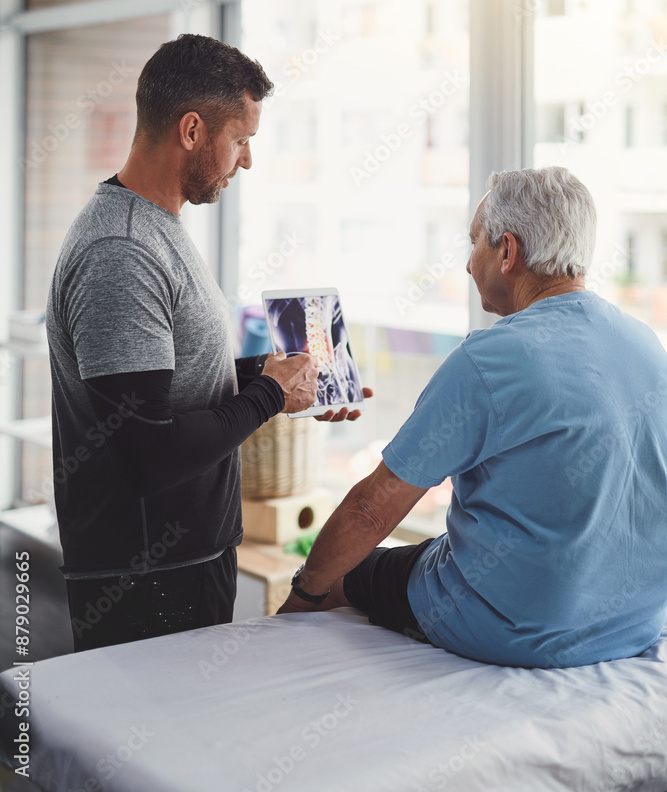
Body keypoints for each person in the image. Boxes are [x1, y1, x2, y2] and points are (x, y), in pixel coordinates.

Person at [46, 34, 367, 652]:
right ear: (192, 130)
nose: (246, 160)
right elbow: (148, 454)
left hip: (183, 564)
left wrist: (279, 376)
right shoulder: (124, 252)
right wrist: (270, 393)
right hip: (144, 582)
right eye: (241, 139)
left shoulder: (155, 228)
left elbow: (169, 378)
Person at [278, 166, 667, 669]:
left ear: (508, 251)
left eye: (474, 243)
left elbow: (370, 512)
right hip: (631, 624)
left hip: (515, 631)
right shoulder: (647, 344)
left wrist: (301, 597)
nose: (467, 265)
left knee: (342, 575)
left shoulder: (489, 360)